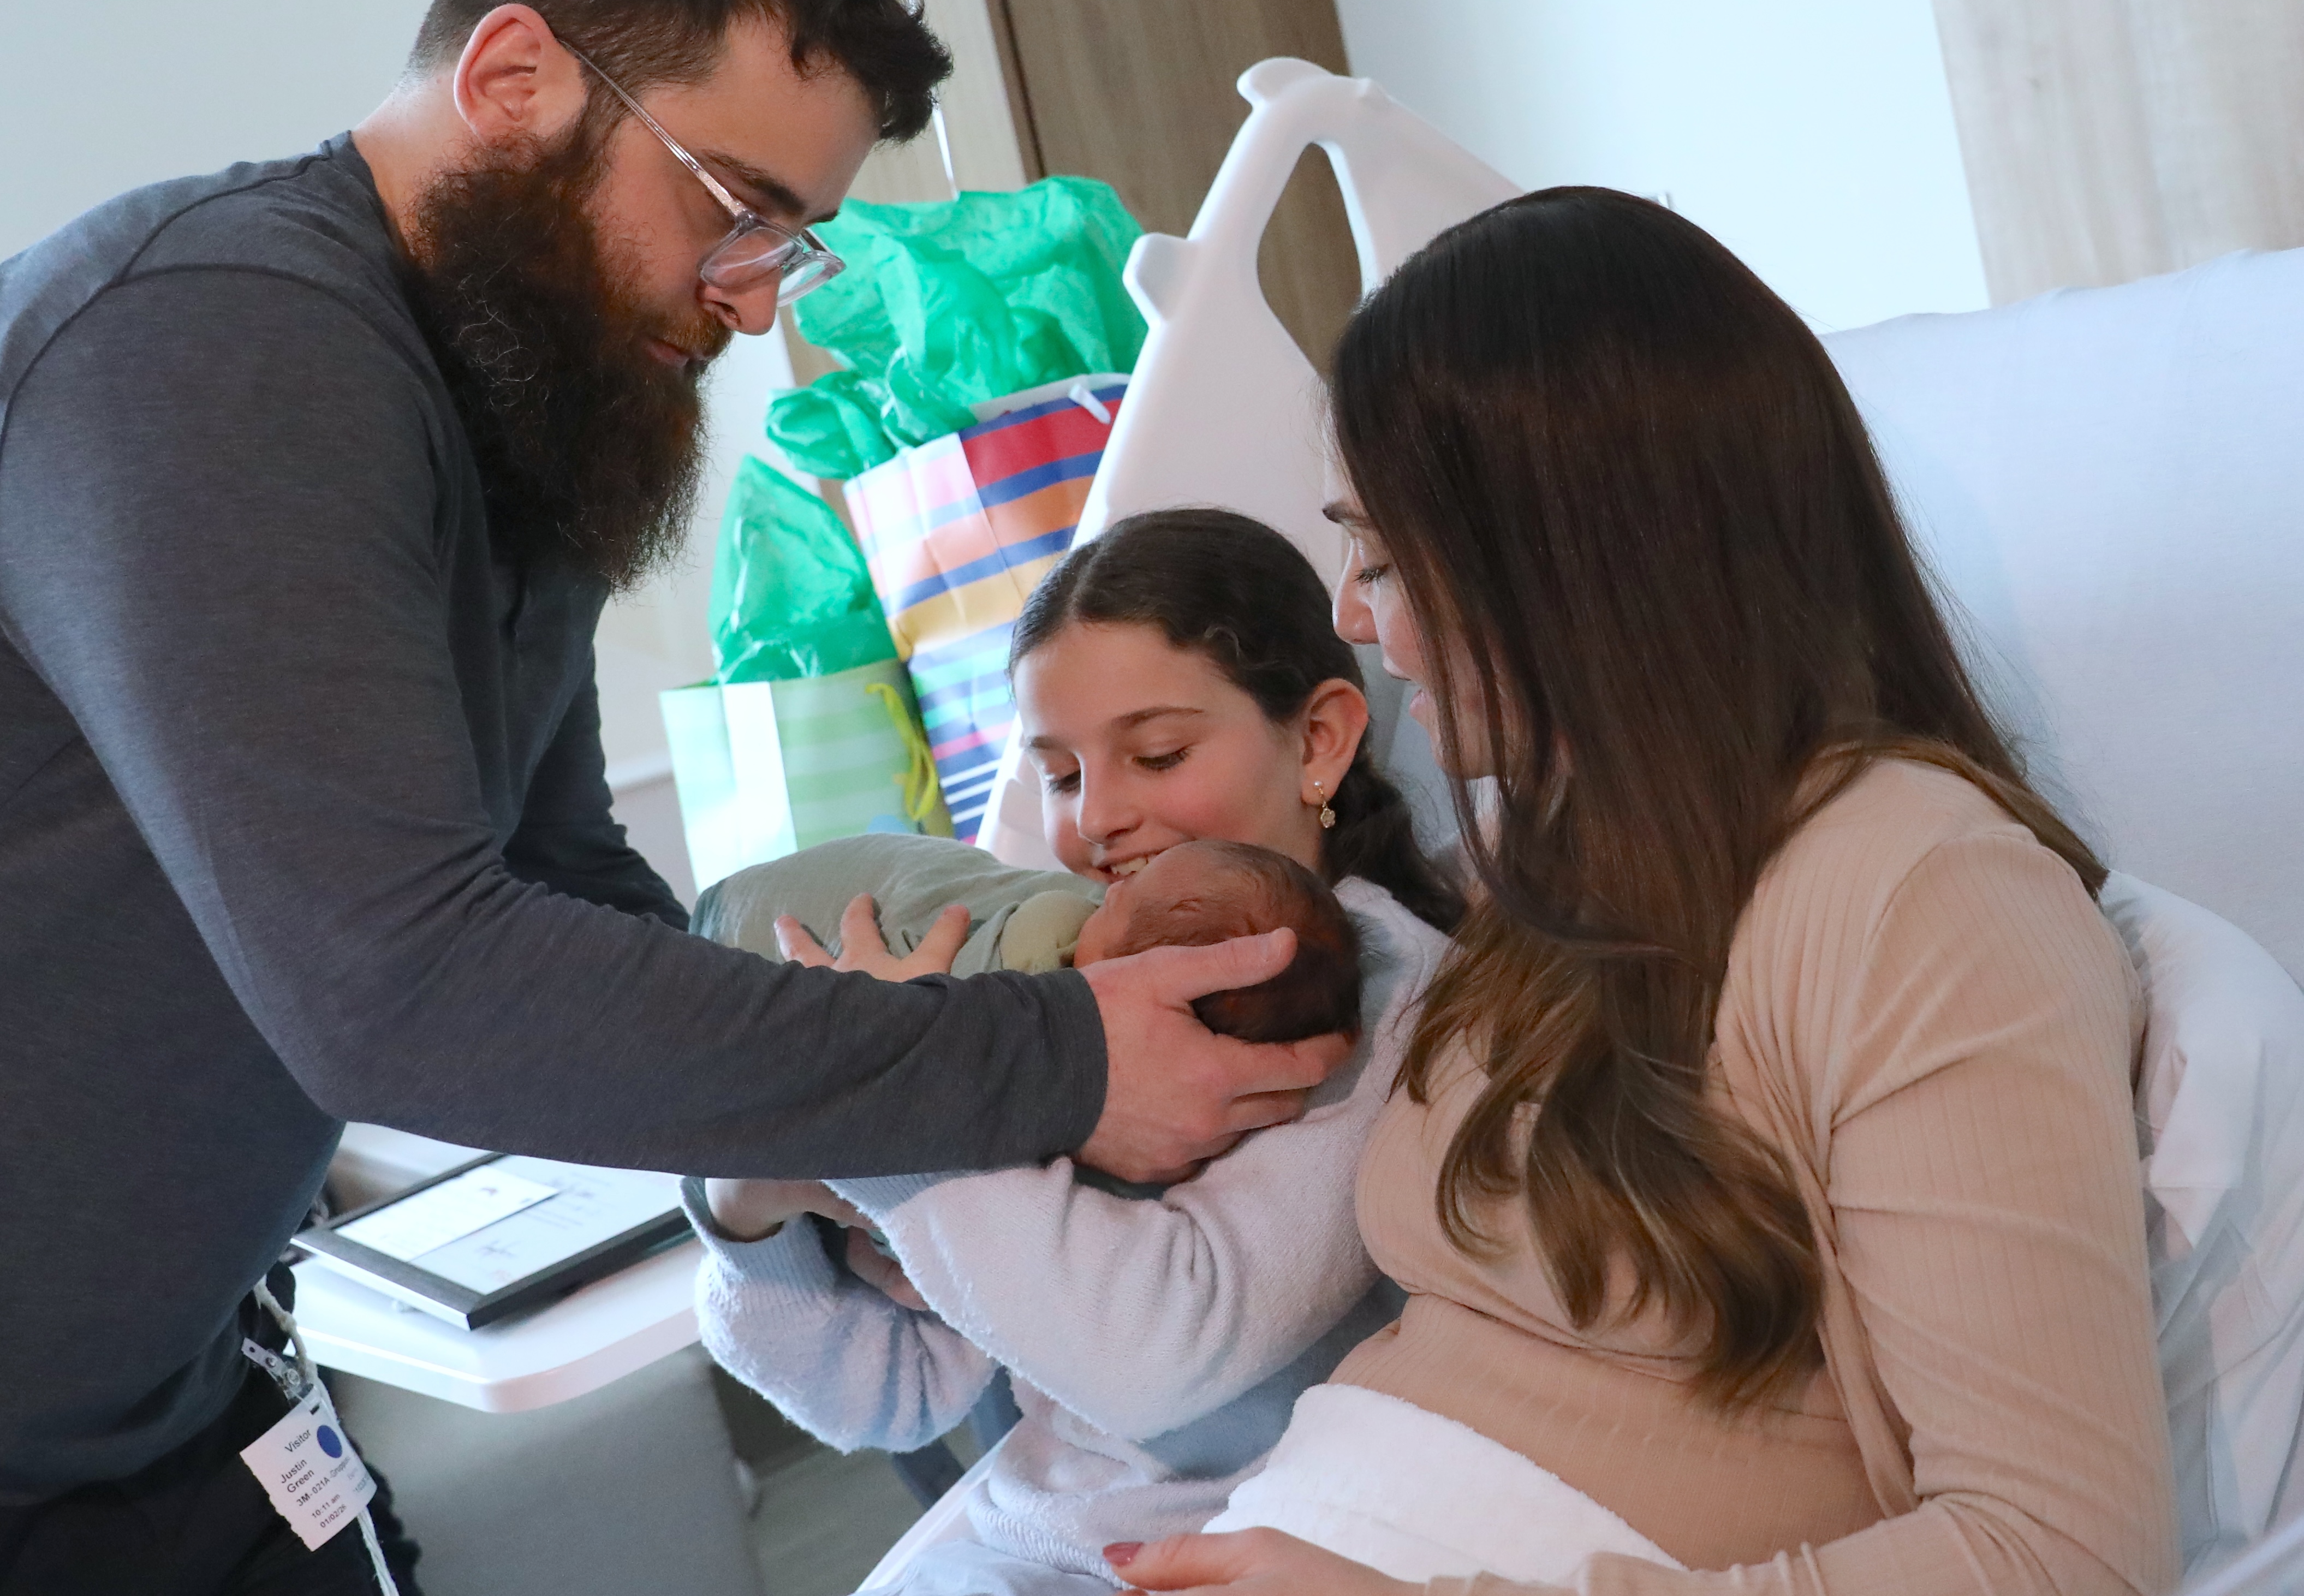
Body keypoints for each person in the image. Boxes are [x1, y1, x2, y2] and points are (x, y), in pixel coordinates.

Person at [0, 0, 1342, 1594]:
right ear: (516, 77)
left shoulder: (506, 417)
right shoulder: (217, 343)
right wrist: (1051, 1067)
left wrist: (842, 1161)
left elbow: (560, 882)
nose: (754, 297)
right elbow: (403, 986)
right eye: (737, 211)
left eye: (794, 239)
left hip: (166, 1413)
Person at [1114, 189, 2179, 1596]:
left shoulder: (1925, 897)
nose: (1360, 618)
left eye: (1380, 556)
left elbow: (2065, 1554)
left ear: (1568, 559)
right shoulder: (1576, 866)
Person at [692, 508, 1462, 1596]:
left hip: (1237, 1545)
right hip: (1032, 1532)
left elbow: (1153, 1361)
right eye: (1058, 776)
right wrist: (748, 1200)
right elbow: (888, 1392)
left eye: (1158, 754)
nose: (1097, 817)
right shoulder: (1067, 993)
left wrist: (894, 1087)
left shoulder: (1380, 1006)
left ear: (1321, 739)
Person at [705, 834, 1367, 1039]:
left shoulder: (1050, 944)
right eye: (1063, 778)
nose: (1110, 886)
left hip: (748, 934)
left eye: (1125, 899)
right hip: (761, 916)